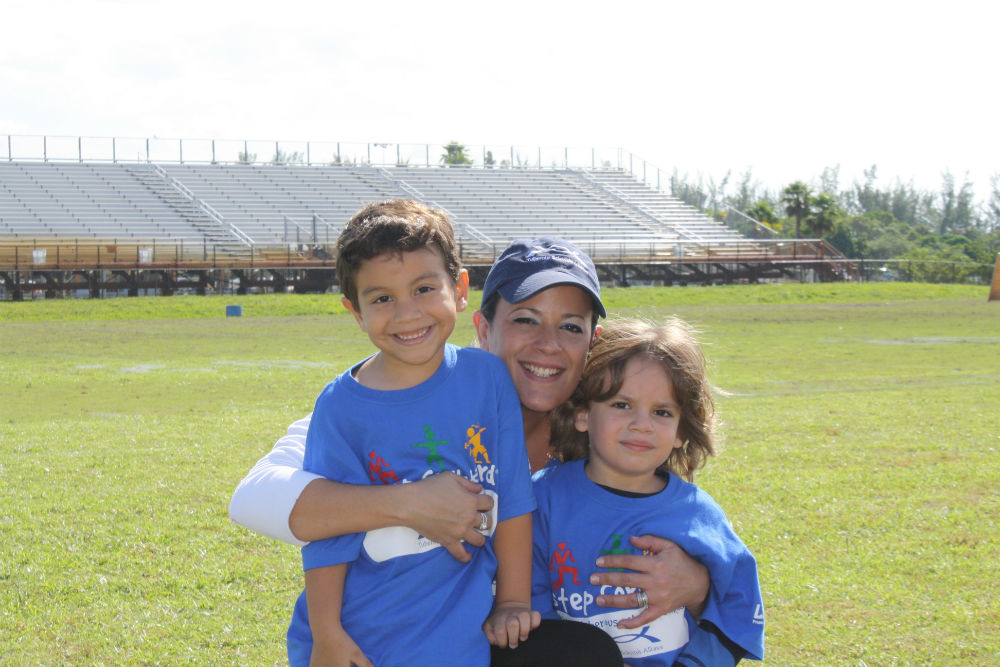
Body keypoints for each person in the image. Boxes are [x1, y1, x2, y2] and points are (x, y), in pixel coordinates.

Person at [230, 234, 711, 666]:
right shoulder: (383, 406)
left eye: (569, 327)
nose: (548, 345)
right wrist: (409, 503)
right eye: (525, 320)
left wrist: (699, 586)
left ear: (591, 341)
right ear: (482, 329)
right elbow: (252, 497)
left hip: (488, 642)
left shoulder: (610, 437)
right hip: (390, 639)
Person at [285, 200, 538, 667]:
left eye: (424, 288)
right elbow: (328, 532)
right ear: (355, 311)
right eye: (381, 298)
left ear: (460, 289)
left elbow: (516, 498)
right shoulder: (342, 407)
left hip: (456, 638)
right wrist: (327, 634)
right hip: (359, 640)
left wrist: (512, 601)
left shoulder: (487, 379)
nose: (406, 313)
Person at [532, 318, 765, 666]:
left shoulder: (697, 513)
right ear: (582, 414)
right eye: (621, 405)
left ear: (680, 433)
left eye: (661, 412)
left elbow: (739, 608)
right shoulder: (545, 497)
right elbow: (527, 598)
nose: (642, 424)